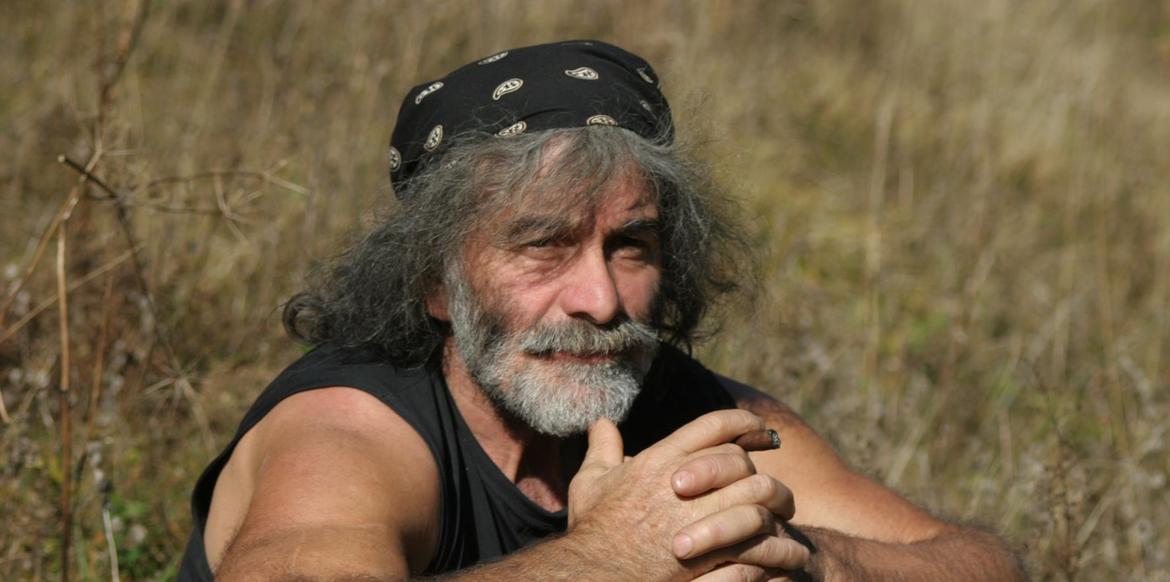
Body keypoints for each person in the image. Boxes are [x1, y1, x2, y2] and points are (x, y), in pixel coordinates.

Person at [178, 40, 1024, 581]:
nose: (601, 300)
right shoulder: (349, 428)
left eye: (632, 245)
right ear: (435, 282)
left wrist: (799, 558)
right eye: (542, 244)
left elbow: (985, 565)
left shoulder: (681, 406)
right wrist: (615, 558)